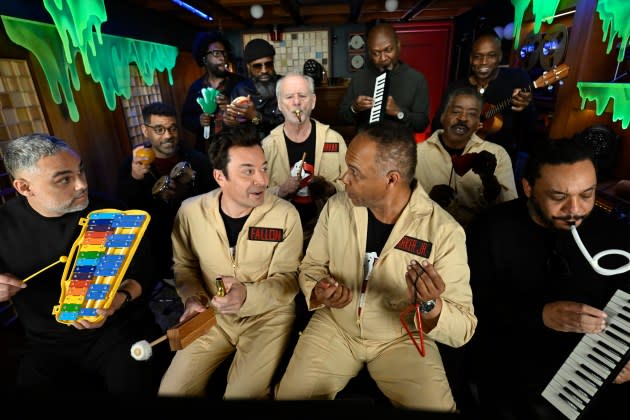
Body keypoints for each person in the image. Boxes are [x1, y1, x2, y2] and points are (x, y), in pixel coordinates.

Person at [275, 121, 477, 412]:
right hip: (336, 326)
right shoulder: (337, 207)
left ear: (391, 179)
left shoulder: (444, 230)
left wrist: (430, 306)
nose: (344, 178)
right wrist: (321, 290)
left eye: (355, 172)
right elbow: (311, 267)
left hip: (401, 336)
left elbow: (463, 328)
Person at [466, 136, 630, 419]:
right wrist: (540, 315)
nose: (575, 209)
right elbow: (472, 308)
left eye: (587, 194)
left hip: (597, 361)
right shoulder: (490, 230)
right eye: (559, 197)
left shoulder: (614, 232)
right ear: (528, 187)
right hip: (516, 364)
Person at [0, 134, 167, 395]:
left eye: (81, 172)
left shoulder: (109, 212)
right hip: (47, 342)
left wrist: (119, 299)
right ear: (24, 187)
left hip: (115, 331)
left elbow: (146, 271)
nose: (81, 185)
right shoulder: (5, 225)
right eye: (64, 179)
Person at [158, 125, 303, 398]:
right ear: (219, 176)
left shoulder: (286, 215)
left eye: (264, 168)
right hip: (213, 314)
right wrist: (193, 299)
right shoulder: (190, 211)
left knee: (242, 394)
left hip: (268, 317)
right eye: (248, 171)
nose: (262, 180)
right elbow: (184, 267)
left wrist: (247, 295)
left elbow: (289, 279)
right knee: (171, 391)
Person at [117, 102, 217, 284]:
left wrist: (188, 191)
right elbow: (125, 212)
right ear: (145, 131)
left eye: (172, 129)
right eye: (159, 130)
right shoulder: (131, 166)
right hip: (160, 248)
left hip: (201, 240)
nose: (168, 136)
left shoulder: (197, 160)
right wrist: (135, 180)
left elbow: (215, 199)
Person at [262, 72, 347, 245]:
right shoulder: (267, 146)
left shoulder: (334, 140)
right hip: (282, 233)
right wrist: (281, 190)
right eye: (289, 97)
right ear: (279, 104)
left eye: (302, 96)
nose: (296, 102)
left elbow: (354, 185)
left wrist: (329, 188)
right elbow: (254, 193)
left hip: (329, 231)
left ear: (313, 101)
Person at [432, 30, 536, 168]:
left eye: (491, 56)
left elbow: (529, 130)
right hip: (460, 162)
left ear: (499, 57)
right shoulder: (457, 87)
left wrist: (526, 106)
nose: (484, 62)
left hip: (499, 164)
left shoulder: (516, 79)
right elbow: (437, 125)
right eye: (478, 56)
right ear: (470, 59)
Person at [416, 87, 517, 227]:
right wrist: (427, 201)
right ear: (443, 116)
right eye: (456, 111)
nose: (463, 118)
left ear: (478, 123)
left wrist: (489, 180)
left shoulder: (498, 154)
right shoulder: (417, 154)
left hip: (477, 240)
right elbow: (397, 207)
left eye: (472, 114)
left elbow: (510, 211)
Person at [338, 23, 430, 134]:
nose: (383, 58)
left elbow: (422, 124)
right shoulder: (359, 78)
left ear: (398, 45)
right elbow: (342, 117)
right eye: (376, 53)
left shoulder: (417, 79)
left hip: (400, 147)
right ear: (369, 54)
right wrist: (354, 108)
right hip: (366, 144)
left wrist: (399, 112)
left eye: (388, 50)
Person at [181, 30, 256, 152]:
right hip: (206, 152)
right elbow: (186, 119)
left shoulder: (241, 84)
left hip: (236, 149)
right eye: (216, 53)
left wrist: (231, 107)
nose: (222, 58)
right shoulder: (196, 88)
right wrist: (198, 120)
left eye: (224, 53)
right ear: (204, 59)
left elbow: (254, 120)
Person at [223, 38, 284, 140]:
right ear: (248, 67)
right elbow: (235, 130)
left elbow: (289, 123)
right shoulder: (240, 90)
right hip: (253, 148)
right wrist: (230, 122)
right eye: (257, 66)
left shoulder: (285, 85)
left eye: (268, 64)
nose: (264, 70)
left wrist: (255, 117)